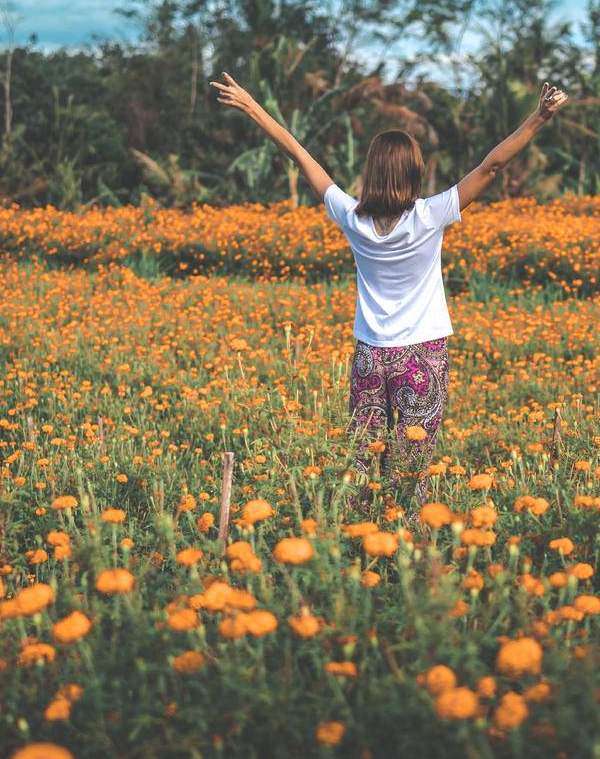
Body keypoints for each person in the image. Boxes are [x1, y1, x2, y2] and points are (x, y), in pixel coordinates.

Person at [209, 72, 569, 510]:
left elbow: (298, 154)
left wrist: (251, 105)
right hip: (422, 356)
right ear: (415, 171)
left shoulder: (351, 217)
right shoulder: (430, 215)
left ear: (371, 172)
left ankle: (360, 545)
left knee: (362, 467)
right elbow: (492, 165)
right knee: (411, 470)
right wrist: (539, 117)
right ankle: (407, 549)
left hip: (369, 357)